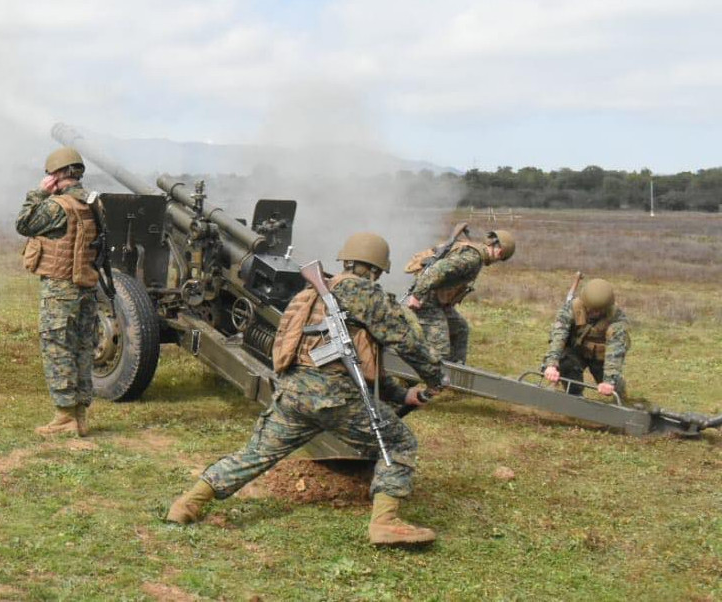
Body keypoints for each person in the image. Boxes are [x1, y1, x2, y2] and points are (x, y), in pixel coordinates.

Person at [166, 233, 445, 546]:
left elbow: (350, 359)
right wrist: (436, 377)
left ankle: (187, 504)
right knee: (399, 442)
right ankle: (385, 523)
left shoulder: (310, 295)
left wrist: (400, 394)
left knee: (254, 454)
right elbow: (405, 340)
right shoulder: (364, 293)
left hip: (294, 394)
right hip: (336, 398)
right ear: (377, 270)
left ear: (347, 260)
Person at [16, 146, 103, 437]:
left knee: (57, 348)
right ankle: (80, 416)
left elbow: (24, 223)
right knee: (82, 349)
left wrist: (39, 193)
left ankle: (65, 417)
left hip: (60, 289)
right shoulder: (93, 203)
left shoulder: (57, 206)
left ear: (57, 174)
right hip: (87, 288)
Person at [404, 229, 515, 363]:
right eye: (500, 258)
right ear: (500, 252)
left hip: (438, 301)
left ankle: (455, 374)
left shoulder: (474, 253)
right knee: (440, 352)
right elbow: (438, 269)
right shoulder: (473, 258)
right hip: (427, 300)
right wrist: (416, 295)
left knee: (460, 329)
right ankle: (410, 378)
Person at [541, 278, 629, 398]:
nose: (595, 313)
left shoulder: (617, 319)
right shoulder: (571, 308)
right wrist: (551, 364)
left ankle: (620, 391)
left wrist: (609, 381)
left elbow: (615, 350)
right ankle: (575, 396)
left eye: (599, 310)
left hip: (601, 357)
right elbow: (559, 335)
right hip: (577, 351)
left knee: (615, 389)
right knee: (566, 363)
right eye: (592, 310)